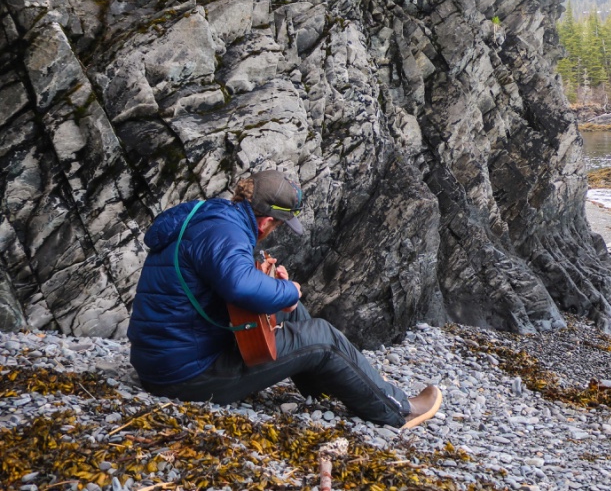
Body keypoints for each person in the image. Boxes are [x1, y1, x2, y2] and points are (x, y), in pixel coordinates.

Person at [127, 169, 441, 428]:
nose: (273, 232)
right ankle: (398, 411)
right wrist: (288, 291)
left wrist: (273, 289)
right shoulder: (226, 232)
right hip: (185, 375)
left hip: (167, 358)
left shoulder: (215, 216)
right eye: (278, 225)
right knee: (324, 337)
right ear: (266, 221)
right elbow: (239, 287)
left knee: (296, 314)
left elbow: (218, 285)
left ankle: (331, 386)